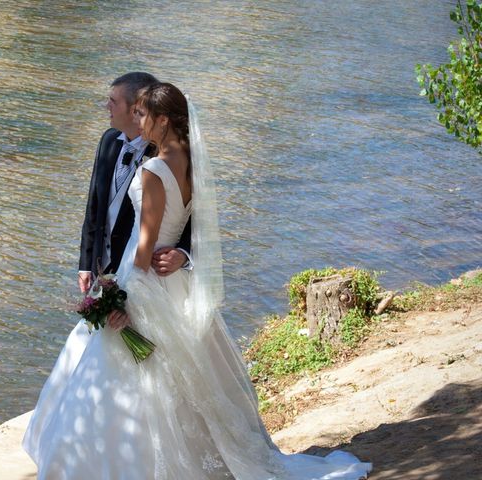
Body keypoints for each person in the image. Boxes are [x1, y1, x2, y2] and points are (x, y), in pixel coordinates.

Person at [23, 83, 372, 479]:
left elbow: (145, 242)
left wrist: (121, 296)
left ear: (163, 120)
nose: (139, 122)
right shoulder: (189, 159)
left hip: (146, 281)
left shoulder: (154, 170)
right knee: (183, 379)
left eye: (144, 115)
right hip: (176, 286)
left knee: (135, 378)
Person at [77, 72, 190, 295]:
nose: (105, 105)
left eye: (112, 101)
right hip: (101, 269)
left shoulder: (166, 158)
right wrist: (86, 263)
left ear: (134, 108)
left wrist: (184, 254)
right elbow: (94, 206)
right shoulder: (108, 140)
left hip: (141, 271)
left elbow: (192, 213)